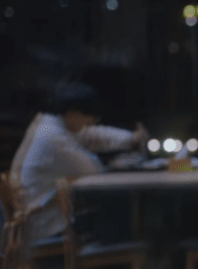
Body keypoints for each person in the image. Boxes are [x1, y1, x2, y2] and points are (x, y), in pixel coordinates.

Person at [11, 81, 148, 243]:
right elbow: (92, 170)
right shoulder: (53, 138)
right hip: (50, 225)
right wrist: (117, 163)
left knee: (120, 213)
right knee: (127, 215)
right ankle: (130, 256)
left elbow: (91, 136)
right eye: (89, 116)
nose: (92, 121)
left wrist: (130, 139)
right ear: (73, 112)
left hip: (45, 216)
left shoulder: (50, 125)